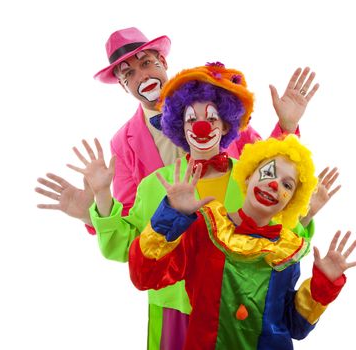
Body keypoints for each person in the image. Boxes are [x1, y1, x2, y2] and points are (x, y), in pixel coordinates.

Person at [69, 62, 335, 350]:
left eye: (212, 118)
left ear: (225, 124)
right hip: (171, 308)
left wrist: (287, 129)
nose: (202, 126)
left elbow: (278, 230)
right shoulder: (154, 184)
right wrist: (101, 197)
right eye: (190, 119)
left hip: (237, 311)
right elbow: (126, 248)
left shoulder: (247, 180)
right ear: (180, 127)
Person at [35, 27, 319, 229]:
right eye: (129, 74)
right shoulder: (123, 144)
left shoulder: (215, 104)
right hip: (177, 266)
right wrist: (95, 208)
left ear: (163, 62)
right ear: (123, 87)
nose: (142, 76)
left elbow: (267, 164)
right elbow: (133, 225)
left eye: (146, 63)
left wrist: (287, 125)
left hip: (239, 252)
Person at [129, 136, 356, 349]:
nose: (274, 185)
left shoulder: (286, 251)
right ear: (250, 174)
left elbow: (295, 326)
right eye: (269, 172)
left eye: (287, 185)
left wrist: (321, 288)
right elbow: (145, 276)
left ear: (291, 202)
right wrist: (170, 214)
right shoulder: (207, 228)